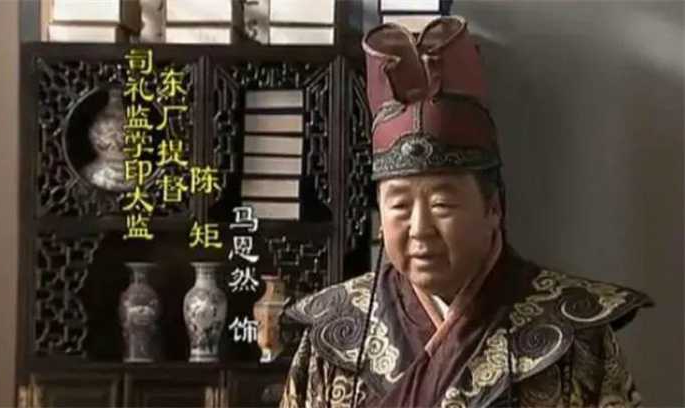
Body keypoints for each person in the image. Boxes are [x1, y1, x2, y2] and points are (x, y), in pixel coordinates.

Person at [279, 16, 652, 408]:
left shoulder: (575, 333)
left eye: (442, 204)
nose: (420, 229)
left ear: (493, 208)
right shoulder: (334, 332)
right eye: (400, 205)